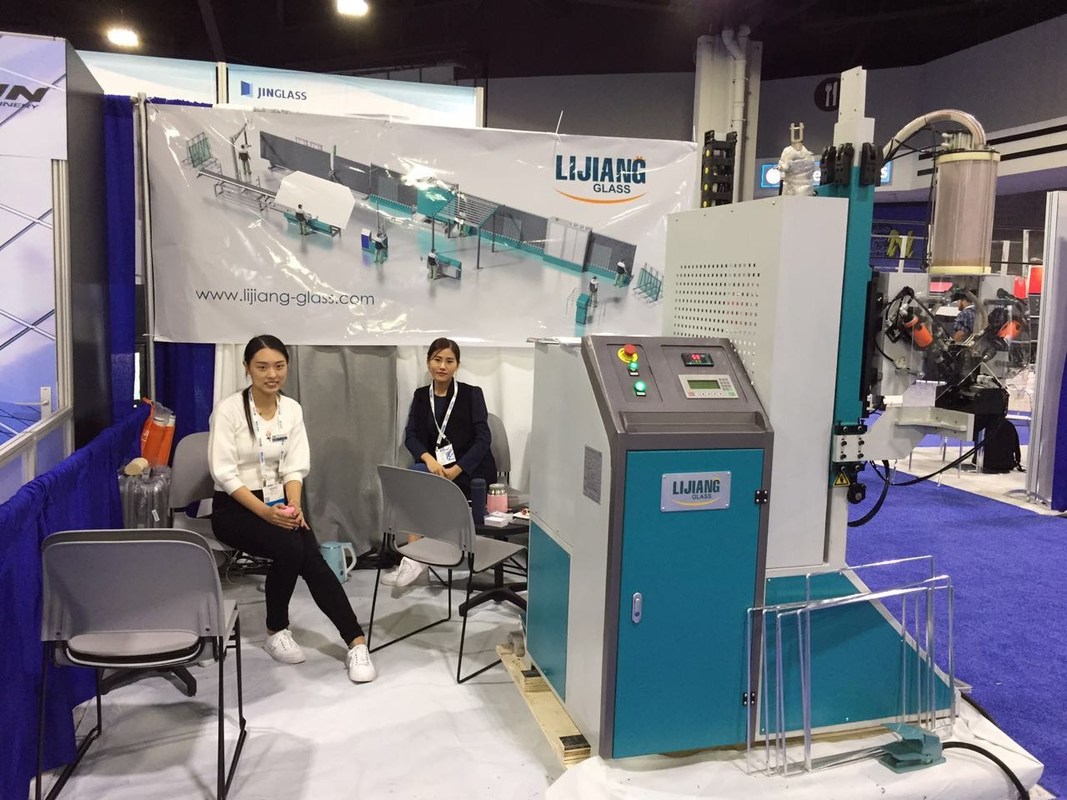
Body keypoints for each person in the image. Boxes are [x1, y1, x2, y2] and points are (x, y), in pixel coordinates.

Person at [208, 334, 377, 682]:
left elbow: (294, 468)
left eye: (279, 366)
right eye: (262, 367)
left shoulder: (292, 409)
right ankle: (281, 630)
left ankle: (354, 642)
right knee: (294, 548)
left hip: (279, 502)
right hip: (235, 506)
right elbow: (224, 474)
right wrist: (266, 513)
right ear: (246, 368)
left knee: (305, 552)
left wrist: (293, 506)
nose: (272, 374)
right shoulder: (228, 410)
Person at [383, 337, 497, 587]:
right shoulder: (421, 396)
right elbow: (411, 436)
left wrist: (458, 468)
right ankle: (415, 560)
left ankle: (414, 561)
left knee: (418, 481)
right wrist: (429, 460)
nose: (442, 366)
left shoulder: (471, 394)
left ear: (457, 365)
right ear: (428, 363)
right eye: (437, 360)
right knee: (415, 475)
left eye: (449, 361)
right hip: (435, 470)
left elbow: (483, 439)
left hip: (469, 471)